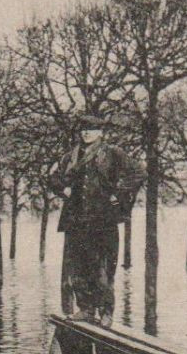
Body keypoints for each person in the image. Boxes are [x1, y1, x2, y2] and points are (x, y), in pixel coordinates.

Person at [52, 119, 142, 326]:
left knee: (102, 267)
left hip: (103, 220)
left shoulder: (112, 152)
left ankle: (106, 312)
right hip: (76, 220)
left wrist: (118, 194)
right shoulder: (71, 155)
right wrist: (61, 188)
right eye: (83, 129)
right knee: (78, 267)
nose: (86, 133)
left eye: (91, 129)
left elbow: (138, 172)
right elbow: (53, 177)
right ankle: (85, 309)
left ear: (100, 132)